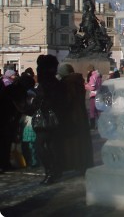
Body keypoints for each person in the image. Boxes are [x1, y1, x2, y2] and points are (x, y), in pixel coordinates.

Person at [30, 54, 67, 184]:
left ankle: (50, 172)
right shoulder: (57, 83)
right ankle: (55, 171)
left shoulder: (46, 84)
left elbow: (41, 102)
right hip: (55, 119)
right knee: (52, 145)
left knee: (41, 146)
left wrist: (35, 103)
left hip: (46, 119)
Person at [58, 63, 94, 174]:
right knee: (82, 141)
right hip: (81, 115)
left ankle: (74, 164)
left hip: (70, 116)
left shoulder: (66, 83)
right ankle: (83, 164)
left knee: (72, 143)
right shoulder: (78, 81)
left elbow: (66, 101)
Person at [84, 64, 102, 130]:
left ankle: (92, 126)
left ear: (89, 70)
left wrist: (85, 85)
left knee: (92, 111)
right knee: (98, 112)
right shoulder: (99, 76)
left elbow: (92, 87)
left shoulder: (92, 77)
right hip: (99, 95)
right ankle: (101, 125)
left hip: (93, 96)